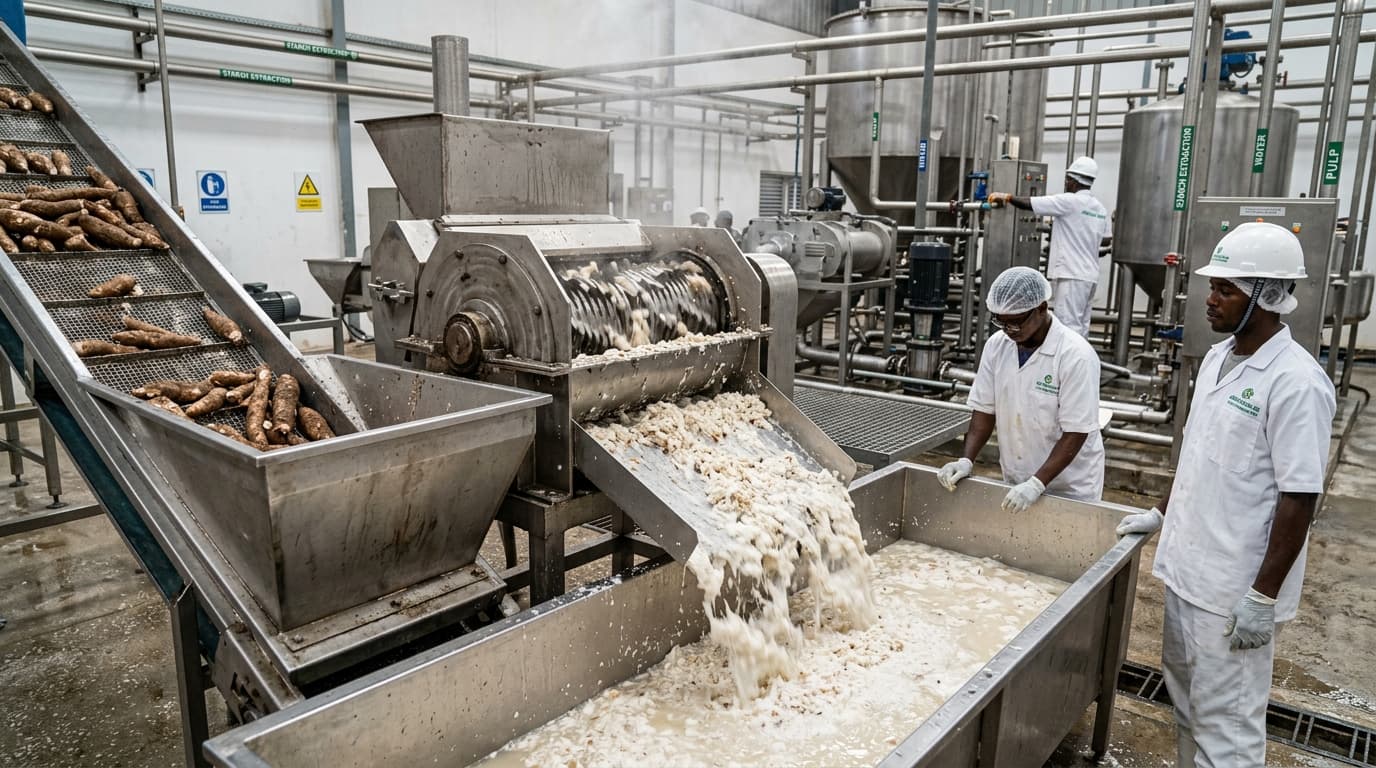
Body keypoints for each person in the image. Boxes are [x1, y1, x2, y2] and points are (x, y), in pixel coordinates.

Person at [1115, 222, 1336, 767]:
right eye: (1212, 286)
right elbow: (1198, 456)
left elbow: (1299, 498)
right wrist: (1159, 513)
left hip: (1233, 594)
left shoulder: (1295, 383)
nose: (1208, 300)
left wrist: (1262, 596)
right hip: (1187, 573)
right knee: (1188, 709)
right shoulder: (1218, 359)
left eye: (1225, 289)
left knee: (1229, 731)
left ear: (1266, 294)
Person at [937, 266, 1105, 510]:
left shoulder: (1075, 356)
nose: (1009, 331)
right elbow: (984, 410)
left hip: (1068, 486)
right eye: (1001, 323)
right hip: (1018, 480)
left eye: (1016, 322)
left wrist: (1037, 483)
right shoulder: (997, 346)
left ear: (1041, 308)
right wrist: (966, 460)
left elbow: (1077, 432)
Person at [987, 156, 1111, 338]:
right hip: (1089, 276)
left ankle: (1065, 365)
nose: (1066, 184)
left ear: (1072, 181)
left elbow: (1032, 203)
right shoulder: (1099, 208)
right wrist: (1085, 236)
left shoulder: (1069, 201)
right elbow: (1106, 239)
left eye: (1067, 181)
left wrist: (1007, 197)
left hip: (1071, 274)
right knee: (1082, 325)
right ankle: (1079, 363)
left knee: (1067, 326)